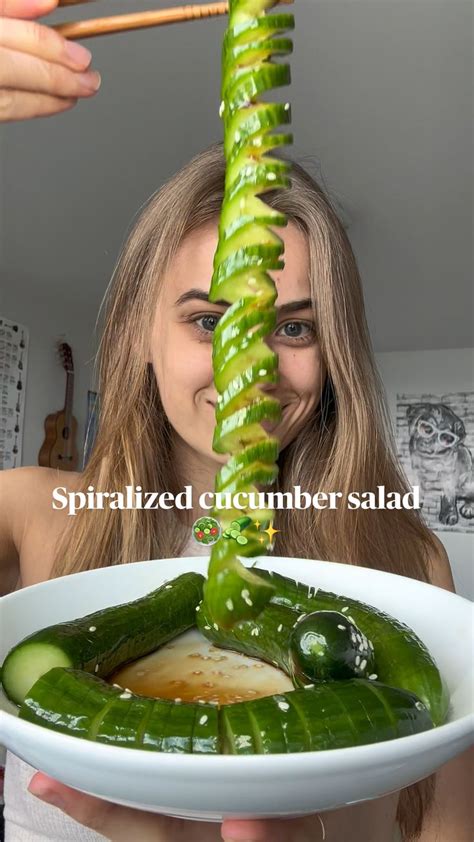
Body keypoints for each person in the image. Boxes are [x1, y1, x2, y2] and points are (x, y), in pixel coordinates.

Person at [0, 1, 472, 840]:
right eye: (210, 321)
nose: (249, 365)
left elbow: (447, 827)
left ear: (333, 359)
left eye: (293, 326)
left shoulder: (410, 562)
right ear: (141, 338)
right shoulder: (28, 512)